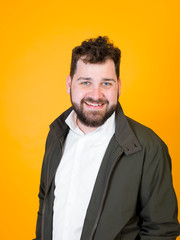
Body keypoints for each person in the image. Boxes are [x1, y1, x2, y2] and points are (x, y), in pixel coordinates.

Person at [34, 36, 180, 240]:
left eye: (106, 83)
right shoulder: (56, 134)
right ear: (69, 83)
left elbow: (161, 231)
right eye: (86, 82)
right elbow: (46, 204)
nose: (96, 94)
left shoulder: (149, 148)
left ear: (118, 86)